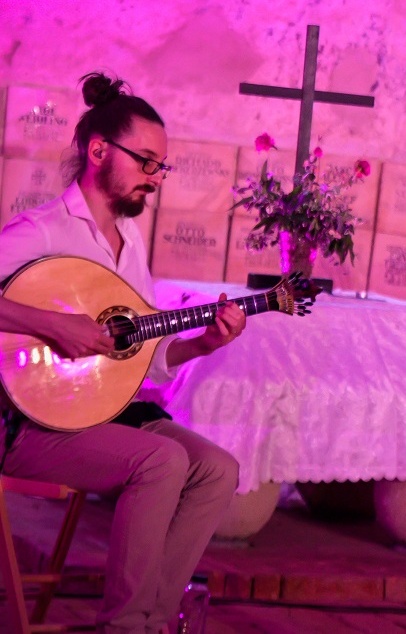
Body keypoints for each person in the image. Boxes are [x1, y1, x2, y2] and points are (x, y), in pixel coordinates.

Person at [0, 72, 247, 634]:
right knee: (160, 461)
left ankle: (152, 622)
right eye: (147, 162)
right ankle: (126, 626)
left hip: (107, 411)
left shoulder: (129, 241)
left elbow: (141, 352)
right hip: (29, 423)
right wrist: (53, 324)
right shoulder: (42, 231)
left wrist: (203, 342)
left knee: (217, 469)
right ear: (98, 152)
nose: (155, 178)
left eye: (162, 167)